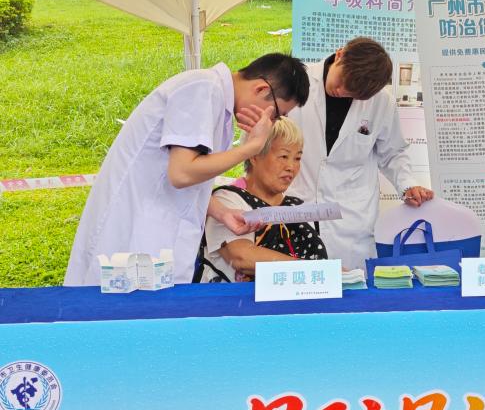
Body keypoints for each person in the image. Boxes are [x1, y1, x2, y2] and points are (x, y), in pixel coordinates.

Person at [64, 53, 310, 286]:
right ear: (261, 89)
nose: (271, 123)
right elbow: (181, 173)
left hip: (156, 239)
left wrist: (223, 213)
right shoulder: (202, 89)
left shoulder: (217, 103)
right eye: (277, 114)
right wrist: (252, 147)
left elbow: (192, 178)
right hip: (133, 235)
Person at [282, 37, 433, 271]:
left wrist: (407, 184)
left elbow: (393, 152)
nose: (341, 92)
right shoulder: (296, 82)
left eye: (353, 94)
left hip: (350, 219)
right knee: (297, 283)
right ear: (339, 55)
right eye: (342, 82)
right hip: (296, 203)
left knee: (351, 286)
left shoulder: (381, 102)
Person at [198, 117, 327, 282]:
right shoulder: (227, 201)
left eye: (297, 158)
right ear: (254, 156)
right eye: (283, 156)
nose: (291, 167)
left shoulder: (297, 207)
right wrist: (316, 269)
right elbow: (241, 257)